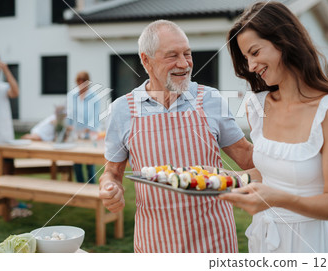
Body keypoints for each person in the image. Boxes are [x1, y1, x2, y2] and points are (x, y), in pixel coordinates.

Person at [99, 19, 254, 253]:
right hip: (155, 243)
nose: (184, 64)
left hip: (214, 241)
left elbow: (246, 156)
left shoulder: (210, 99)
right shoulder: (123, 109)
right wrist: (110, 187)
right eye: (172, 56)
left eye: (187, 54)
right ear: (146, 60)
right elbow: (112, 171)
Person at [219, 1, 328, 253]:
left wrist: (278, 199)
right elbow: (269, 173)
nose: (250, 66)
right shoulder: (256, 106)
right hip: (263, 241)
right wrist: (222, 179)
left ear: (283, 42)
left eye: (255, 52)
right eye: (245, 58)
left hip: (308, 244)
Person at [69, 71, 100, 183]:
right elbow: (71, 115)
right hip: (76, 136)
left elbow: (95, 118)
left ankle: (91, 189)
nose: (81, 83)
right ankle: (80, 188)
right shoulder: (74, 96)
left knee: (89, 164)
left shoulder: (94, 98)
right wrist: (69, 127)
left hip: (89, 136)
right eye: (79, 81)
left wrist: (88, 129)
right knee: (77, 163)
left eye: (83, 81)